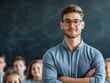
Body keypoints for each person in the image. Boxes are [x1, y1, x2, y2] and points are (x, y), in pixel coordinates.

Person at [42, 5, 105, 83]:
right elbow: (49, 82)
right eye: (67, 21)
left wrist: (64, 80)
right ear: (62, 25)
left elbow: (99, 81)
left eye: (76, 21)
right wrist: (85, 80)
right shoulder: (50, 55)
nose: (72, 26)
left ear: (82, 25)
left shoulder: (95, 54)